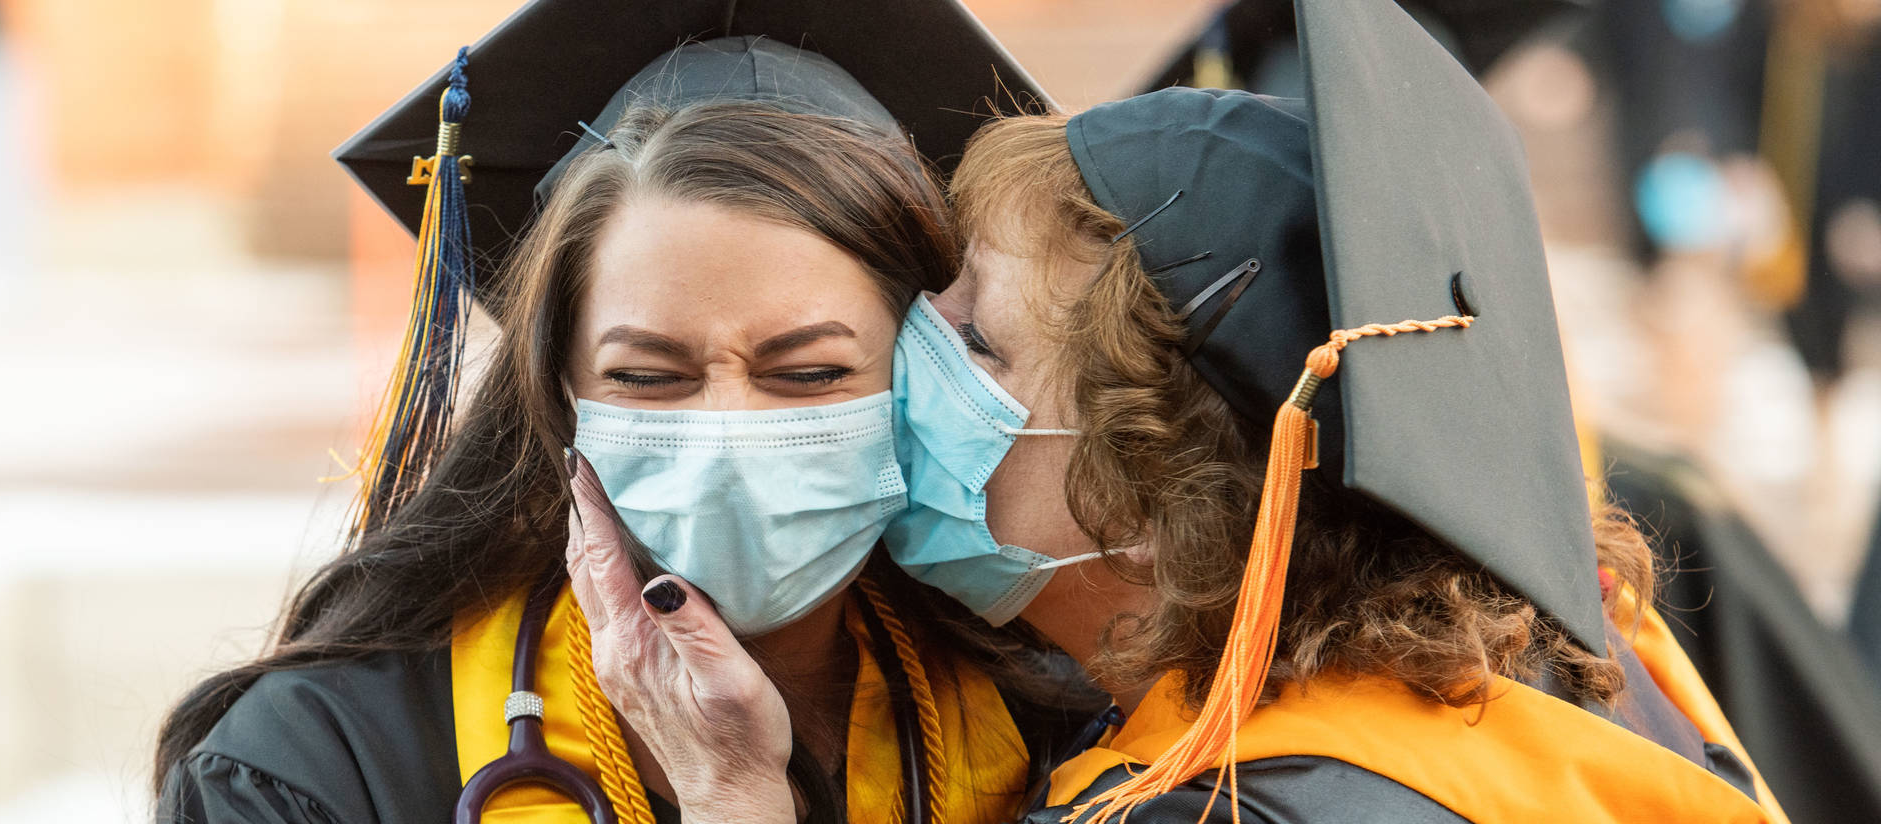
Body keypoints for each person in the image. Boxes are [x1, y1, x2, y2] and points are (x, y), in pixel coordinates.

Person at [591, 2, 1795, 821]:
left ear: (1162, 501)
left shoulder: (1238, 806)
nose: (910, 371)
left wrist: (732, 799)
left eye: (978, 343)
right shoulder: (1551, 663)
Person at [152, 2, 1101, 822]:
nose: (728, 435)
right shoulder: (326, 763)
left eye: (808, 374)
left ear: (920, 378)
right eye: (649, 378)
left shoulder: (1060, 723)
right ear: (555, 389)